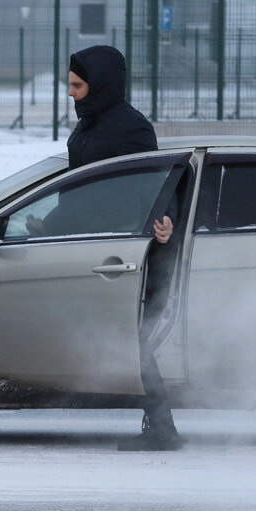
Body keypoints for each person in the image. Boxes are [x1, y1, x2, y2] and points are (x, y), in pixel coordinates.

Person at [65, 45, 181, 451]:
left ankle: (163, 427)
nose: (71, 93)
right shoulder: (89, 124)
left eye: (77, 85)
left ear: (100, 85)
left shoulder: (129, 127)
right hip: (91, 244)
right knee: (123, 335)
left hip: (126, 252)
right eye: (70, 85)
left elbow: (149, 185)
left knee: (137, 336)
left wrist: (164, 220)